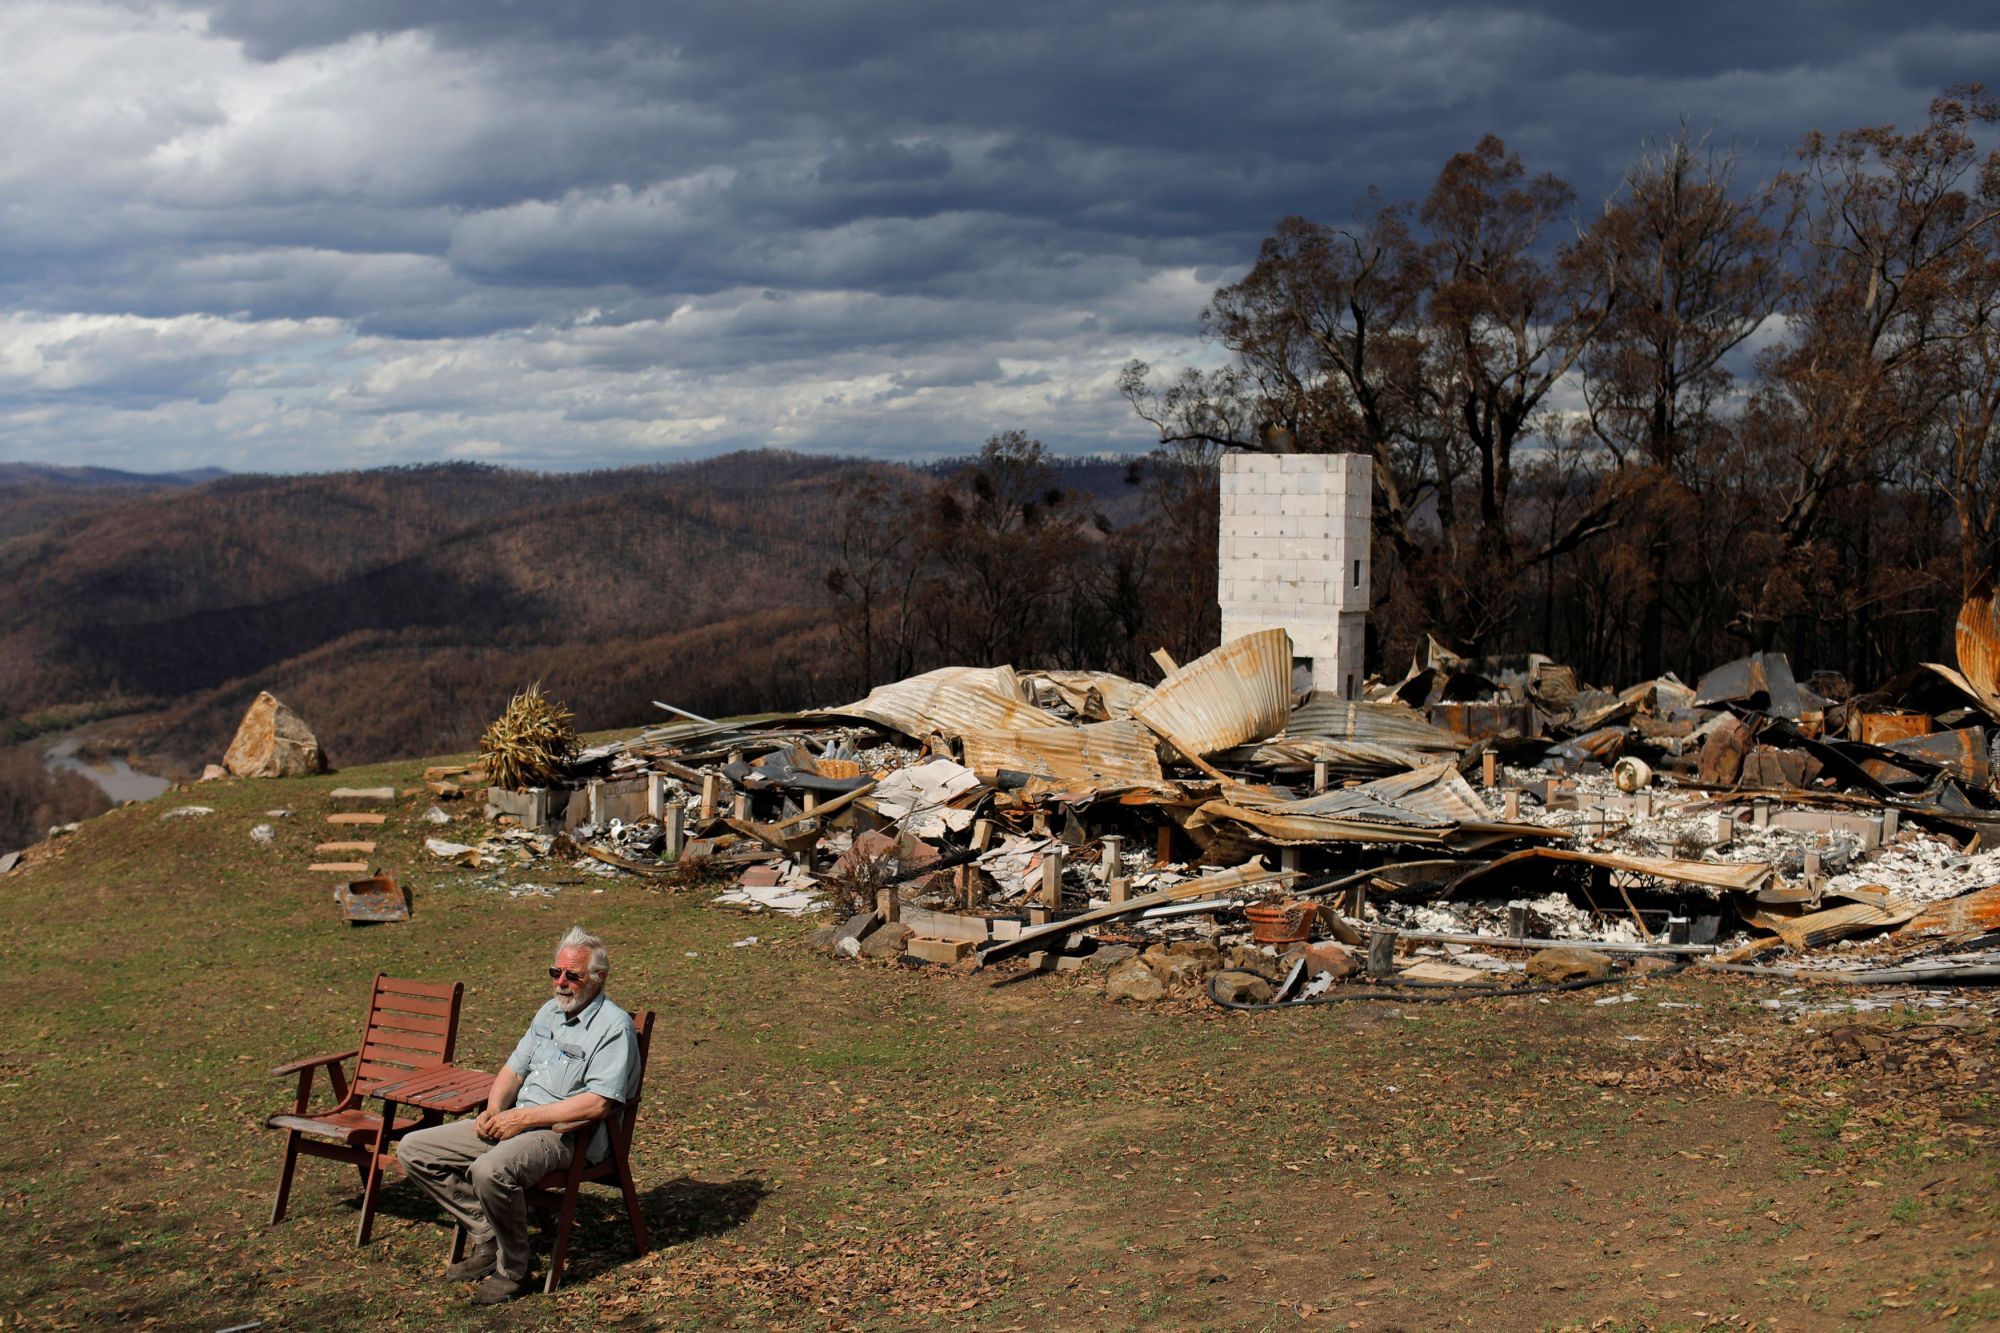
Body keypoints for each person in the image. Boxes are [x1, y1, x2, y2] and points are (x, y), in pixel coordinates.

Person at [398, 925, 638, 1305]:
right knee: (414, 1149)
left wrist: (522, 1119)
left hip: (568, 1134)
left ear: (598, 978)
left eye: (572, 976)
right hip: (518, 1121)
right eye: (555, 973)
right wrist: (494, 1110)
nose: (560, 982)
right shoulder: (549, 1012)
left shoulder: (614, 1027)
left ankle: (513, 1271)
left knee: (489, 1170)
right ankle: (487, 1232)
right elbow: (513, 1070)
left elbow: (598, 1104)